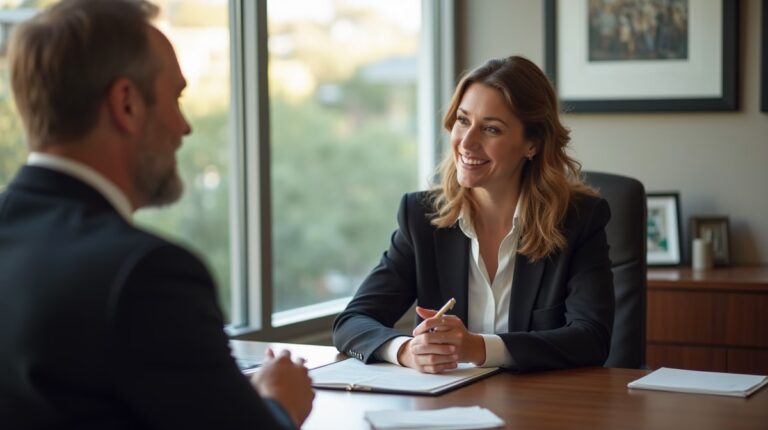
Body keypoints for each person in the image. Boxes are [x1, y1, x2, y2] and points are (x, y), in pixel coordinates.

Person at [0, 0, 313, 428]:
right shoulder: (145, 275)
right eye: (177, 97)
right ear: (126, 103)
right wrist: (280, 405)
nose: (184, 127)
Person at [333, 56, 614, 374]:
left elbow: (592, 339)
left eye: (491, 129)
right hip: (448, 406)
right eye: (463, 121)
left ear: (532, 144)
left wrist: (479, 347)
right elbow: (351, 323)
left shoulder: (578, 220)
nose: (466, 142)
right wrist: (407, 351)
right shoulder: (421, 218)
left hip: (542, 407)